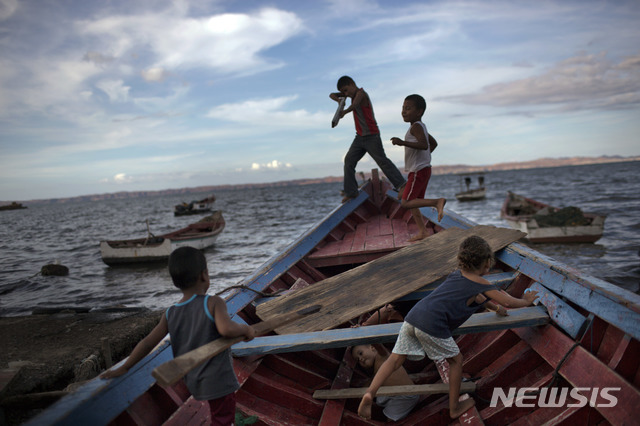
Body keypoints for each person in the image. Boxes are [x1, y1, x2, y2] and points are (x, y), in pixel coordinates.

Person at [357, 236, 538, 420]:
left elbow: (479, 298)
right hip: (432, 324)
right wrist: (526, 301)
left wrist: (496, 309)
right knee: (456, 361)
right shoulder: (480, 283)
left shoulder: (456, 274)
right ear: (487, 263)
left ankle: (370, 393)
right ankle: (455, 408)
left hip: (413, 317)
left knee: (395, 360)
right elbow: (508, 300)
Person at [101, 247, 255, 426]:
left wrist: (125, 367)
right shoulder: (213, 303)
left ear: (175, 282)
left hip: (193, 380)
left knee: (219, 412)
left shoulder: (170, 312)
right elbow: (226, 329)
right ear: (204, 275)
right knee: (223, 419)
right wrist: (246, 330)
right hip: (218, 381)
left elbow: (147, 342)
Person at [330, 76, 406, 203]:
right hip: (359, 138)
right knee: (349, 161)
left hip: (371, 136)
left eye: (346, 90)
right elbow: (331, 94)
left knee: (382, 161)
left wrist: (344, 112)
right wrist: (339, 100)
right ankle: (351, 192)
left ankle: (402, 185)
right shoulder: (348, 94)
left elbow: (354, 105)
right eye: (343, 92)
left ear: (352, 83)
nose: (346, 94)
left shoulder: (361, 94)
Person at [391, 94, 446, 241]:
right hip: (421, 169)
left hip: (419, 171)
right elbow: (432, 144)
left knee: (406, 202)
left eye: (408, 108)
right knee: (413, 200)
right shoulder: (420, 127)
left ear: (419, 112)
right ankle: (423, 231)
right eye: (403, 108)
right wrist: (424, 158)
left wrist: (402, 142)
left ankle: (437, 202)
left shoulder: (416, 127)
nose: (404, 111)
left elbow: (423, 145)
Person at [351, 343, 420, 422]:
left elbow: (378, 345)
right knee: (377, 397)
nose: (360, 359)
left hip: (405, 396)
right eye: (357, 359)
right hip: (391, 393)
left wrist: (368, 336)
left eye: (360, 353)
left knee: (390, 417)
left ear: (373, 348)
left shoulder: (383, 356)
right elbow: (373, 380)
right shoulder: (376, 368)